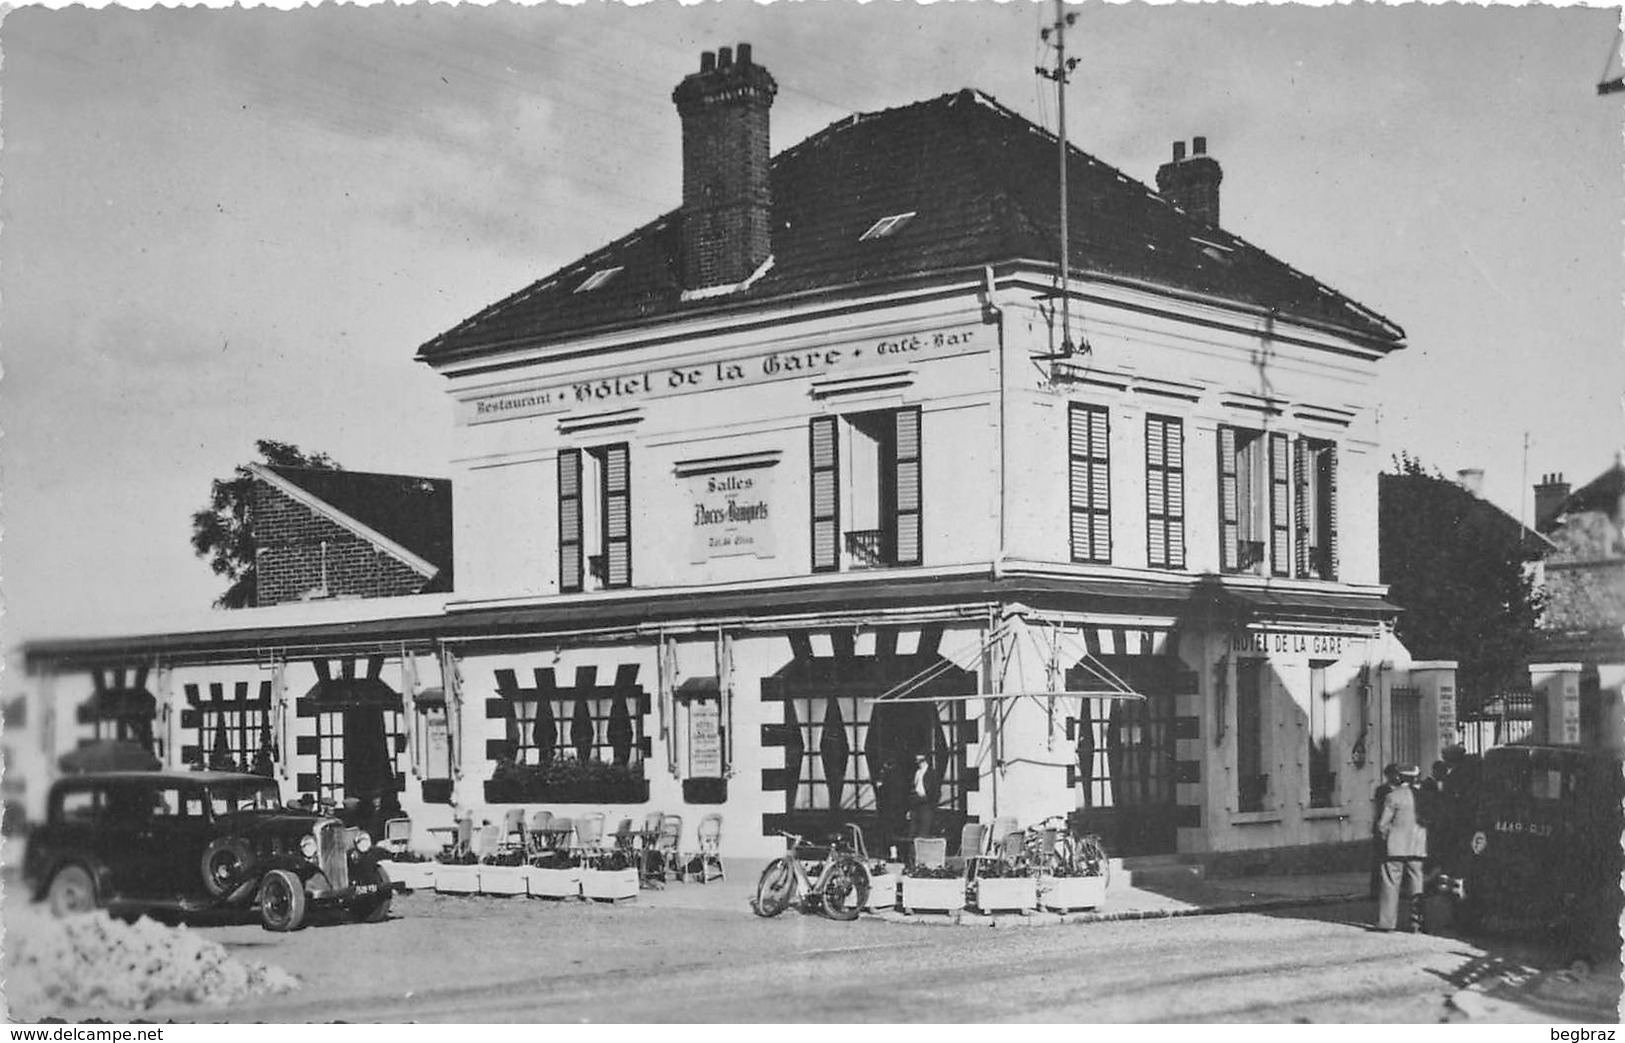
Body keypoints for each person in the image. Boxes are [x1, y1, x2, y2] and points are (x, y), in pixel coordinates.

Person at [1374, 763, 1428, 931]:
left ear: (1399, 777)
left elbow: (1382, 824)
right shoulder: (1422, 796)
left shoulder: (1392, 796)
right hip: (1418, 846)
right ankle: (1416, 923)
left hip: (1395, 847)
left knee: (1390, 883)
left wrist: (1386, 837)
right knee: (1417, 883)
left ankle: (1387, 923)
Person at [1370, 763, 1401, 898]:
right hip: (1384, 827)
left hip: (1397, 829)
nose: (1397, 776)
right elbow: (1380, 810)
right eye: (1394, 773)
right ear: (1388, 775)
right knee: (1380, 859)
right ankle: (1376, 889)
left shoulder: (1401, 790)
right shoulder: (1382, 790)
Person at [909, 752, 935, 839]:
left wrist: (928, 800)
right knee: (913, 832)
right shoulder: (917, 773)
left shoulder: (931, 773)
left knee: (924, 832)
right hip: (916, 803)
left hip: (926, 804)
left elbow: (935, 792)